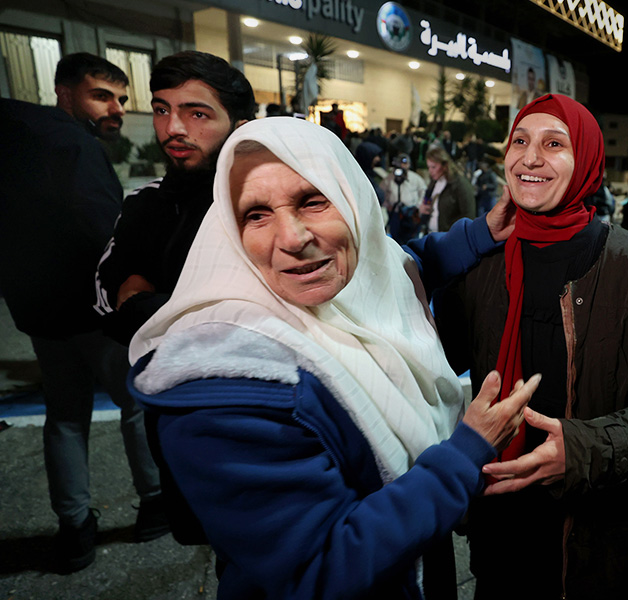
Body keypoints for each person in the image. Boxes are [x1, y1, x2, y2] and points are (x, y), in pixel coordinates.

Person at [126, 116, 537, 599]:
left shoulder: (336, 274)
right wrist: (466, 453)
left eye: (313, 200)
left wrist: (477, 235)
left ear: (355, 203)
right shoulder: (225, 394)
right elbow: (318, 572)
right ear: (228, 231)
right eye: (256, 214)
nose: (292, 237)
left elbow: (393, 267)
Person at [434, 94, 628, 599]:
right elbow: (434, 378)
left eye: (554, 144)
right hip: (500, 526)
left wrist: (581, 451)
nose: (530, 157)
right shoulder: (478, 263)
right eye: (520, 141)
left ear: (586, 161)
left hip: (597, 538)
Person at [0, 53, 165, 574]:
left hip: (38, 313)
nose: (115, 109)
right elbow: (107, 233)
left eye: (120, 99)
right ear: (64, 93)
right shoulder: (72, 144)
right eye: (101, 96)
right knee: (136, 404)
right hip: (95, 314)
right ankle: (156, 504)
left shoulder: (15, 140)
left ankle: (74, 530)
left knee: (65, 418)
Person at [95, 51, 255, 345]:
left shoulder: (258, 207)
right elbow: (107, 293)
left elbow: (255, 316)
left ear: (239, 126)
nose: (173, 128)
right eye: (162, 110)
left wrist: (145, 307)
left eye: (197, 114)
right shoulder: (144, 201)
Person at [420, 146, 476, 233]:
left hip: (448, 237)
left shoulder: (460, 184)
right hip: (431, 234)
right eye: (429, 167)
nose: (430, 171)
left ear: (445, 165)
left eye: (433, 167)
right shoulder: (434, 182)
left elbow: (469, 215)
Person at [381, 152, 428, 243]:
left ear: (409, 165)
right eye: (400, 163)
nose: (402, 166)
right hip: (395, 213)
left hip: (411, 213)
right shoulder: (389, 179)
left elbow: (424, 192)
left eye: (405, 163)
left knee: (412, 239)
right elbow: (381, 194)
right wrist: (387, 205)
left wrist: (418, 206)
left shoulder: (415, 178)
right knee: (395, 240)